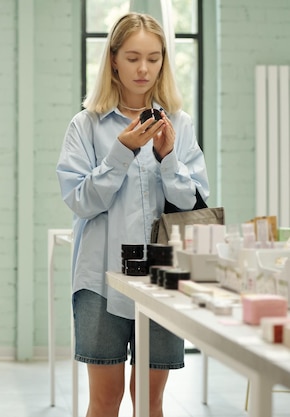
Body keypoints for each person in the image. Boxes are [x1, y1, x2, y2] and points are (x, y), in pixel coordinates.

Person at [56, 12, 209, 417]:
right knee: (104, 401)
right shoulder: (85, 125)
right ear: (113, 60)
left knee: (149, 399)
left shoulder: (179, 123)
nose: (144, 69)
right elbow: (81, 201)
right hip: (100, 280)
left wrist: (168, 159)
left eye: (154, 58)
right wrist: (121, 153)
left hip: (161, 280)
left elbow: (195, 205)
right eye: (133, 57)